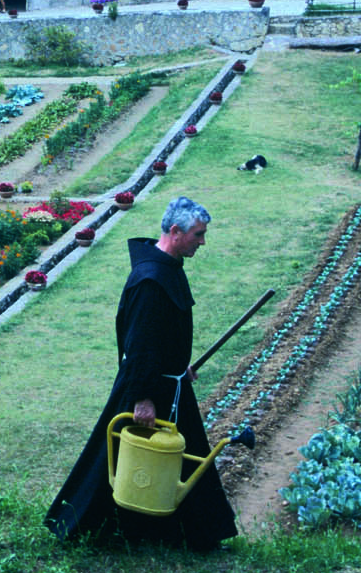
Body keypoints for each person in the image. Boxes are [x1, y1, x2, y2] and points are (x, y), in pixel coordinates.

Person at [45, 197, 241, 551]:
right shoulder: (151, 280)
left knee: (173, 457)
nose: (203, 241)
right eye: (198, 234)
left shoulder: (167, 268)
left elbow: (162, 333)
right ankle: (79, 527)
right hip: (149, 387)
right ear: (176, 232)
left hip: (168, 382)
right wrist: (143, 398)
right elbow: (138, 344)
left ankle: (183, 534)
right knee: (117, 458)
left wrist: (179, 362)